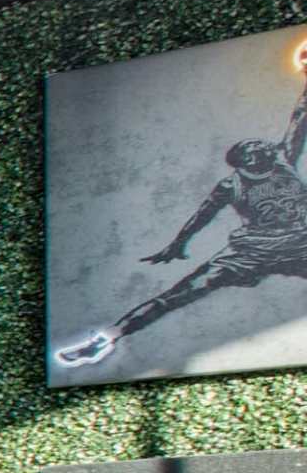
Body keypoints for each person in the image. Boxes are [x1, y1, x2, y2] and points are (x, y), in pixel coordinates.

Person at [54, 65, 307, 370]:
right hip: (249, 252)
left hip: (299, 244)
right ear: (248, 162)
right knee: (181, 292)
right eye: (255, 148)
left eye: (260, 145)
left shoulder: (282, 159)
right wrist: (178, 243)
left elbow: (299, 118)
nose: (263, 144)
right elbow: (202, 216)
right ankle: (107, 338)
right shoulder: (232, 185)